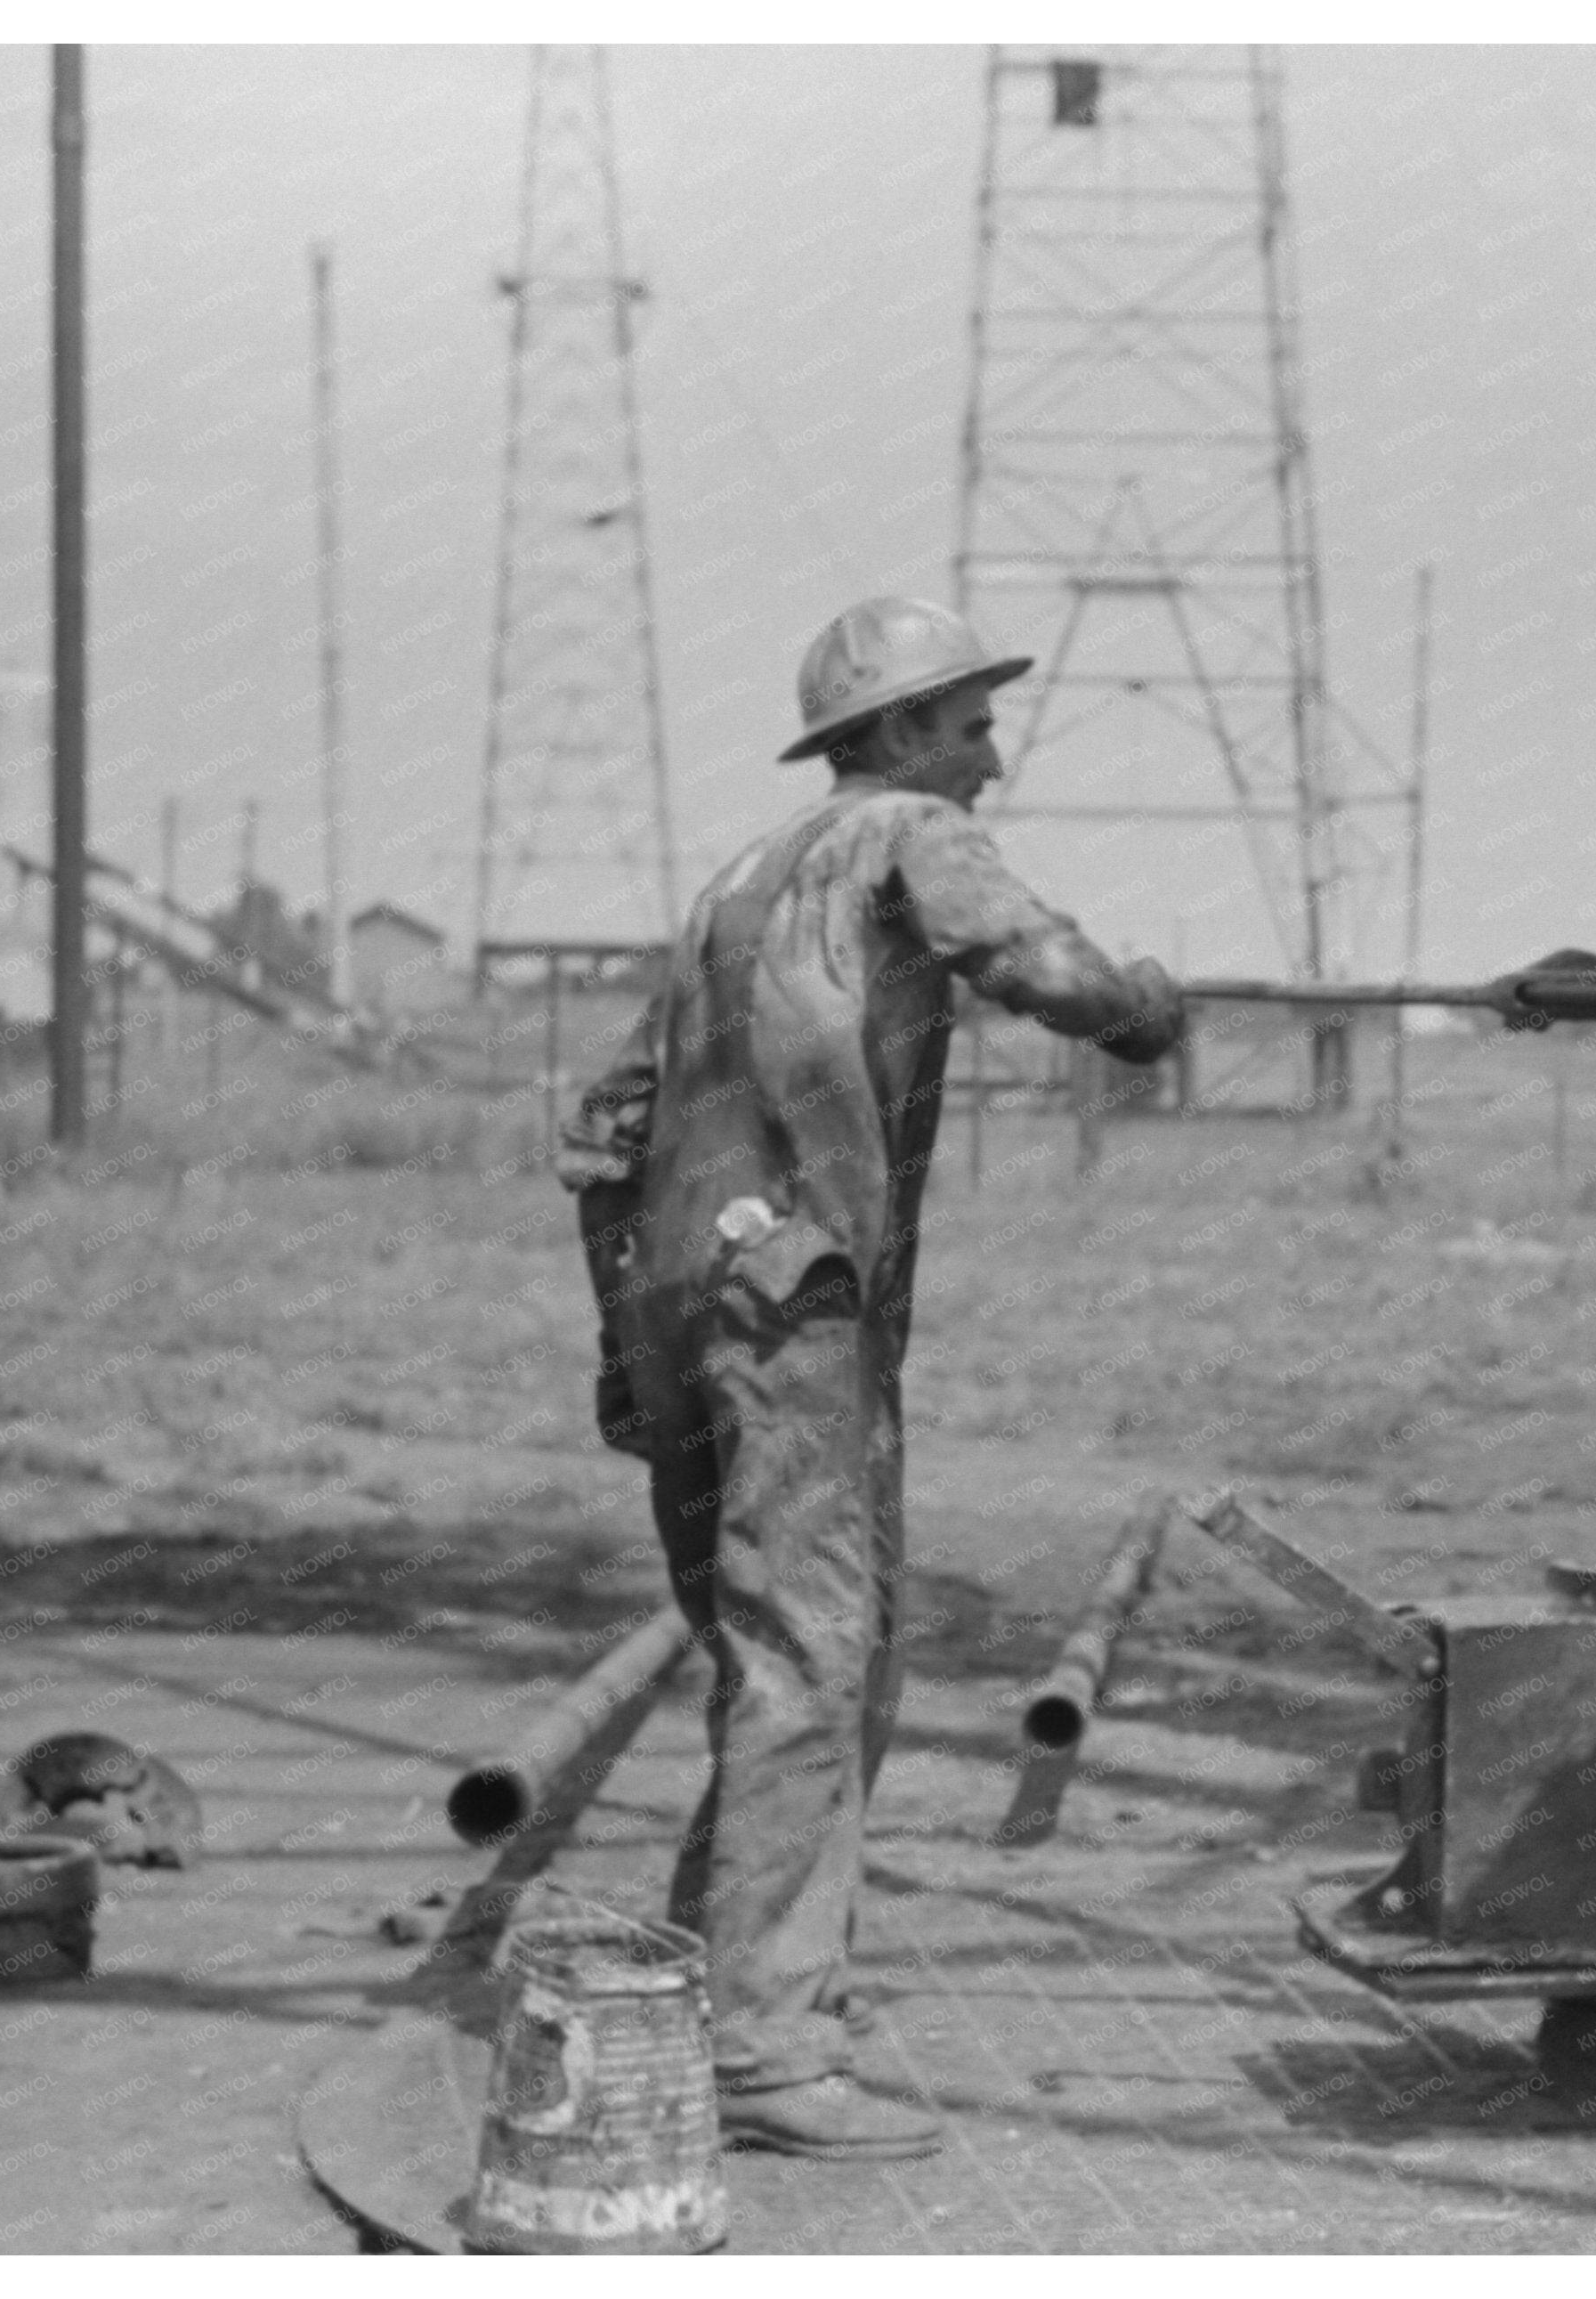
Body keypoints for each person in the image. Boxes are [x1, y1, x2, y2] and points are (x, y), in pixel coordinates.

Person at [556, 596, 1184, 2161]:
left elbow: (605, 1124)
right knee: (816, 1656)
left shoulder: (729, 887)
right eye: (968, 718)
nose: (990, 745)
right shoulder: (901, 833)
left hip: (676, 1307)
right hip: (793, 1307)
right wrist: (1142, 1012)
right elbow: (1032, 958)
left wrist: (621, 1340)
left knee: (776, 1649)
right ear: (896, 735)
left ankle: (719, 1988)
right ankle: (765, 2052)